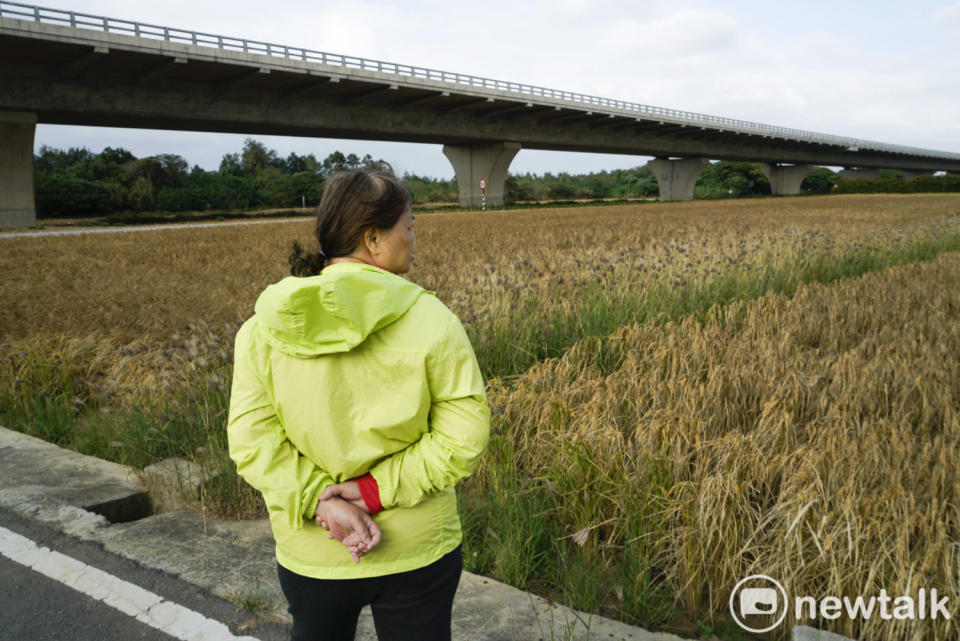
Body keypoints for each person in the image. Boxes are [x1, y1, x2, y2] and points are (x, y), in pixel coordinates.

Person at [227, 168, 490, 641]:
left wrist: (320, 503)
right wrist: (371, 492)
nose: (414, 237)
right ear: (373, 239)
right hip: (418, 549)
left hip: (315, 551)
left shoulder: (262, 329)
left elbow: (251, 441)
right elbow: (463, 435)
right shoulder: (431, 318)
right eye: (408, 225)